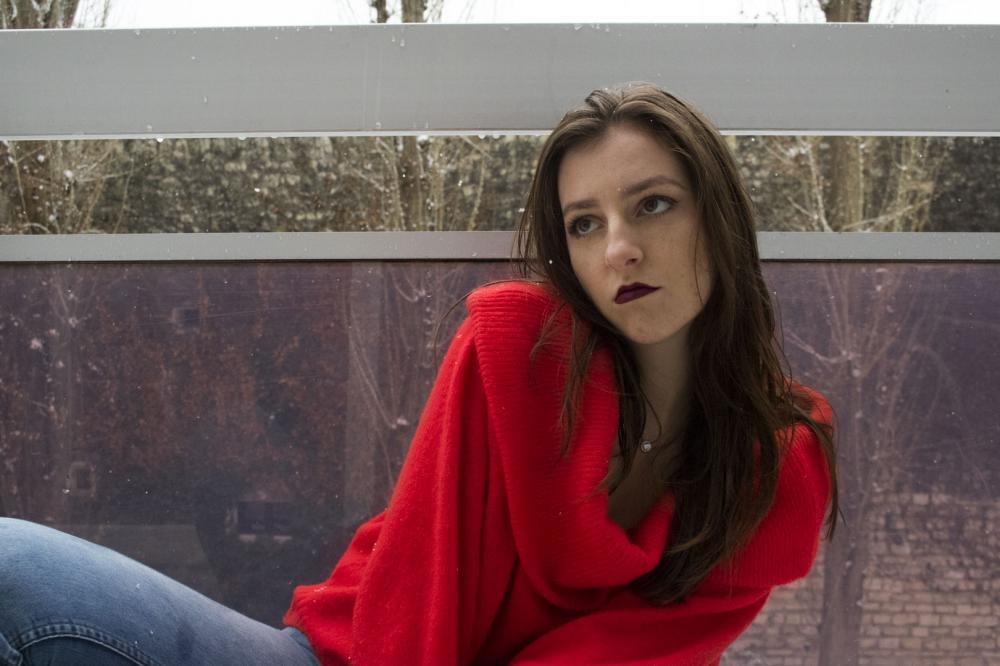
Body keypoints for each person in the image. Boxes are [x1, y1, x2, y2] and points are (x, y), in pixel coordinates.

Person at [0, 83, 837, 666]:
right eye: (586, 224)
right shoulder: (519, 349)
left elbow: (642, 654)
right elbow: (415, 597)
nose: (619, 248)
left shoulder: (776, 464)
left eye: (653, 204)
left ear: (718, 215)